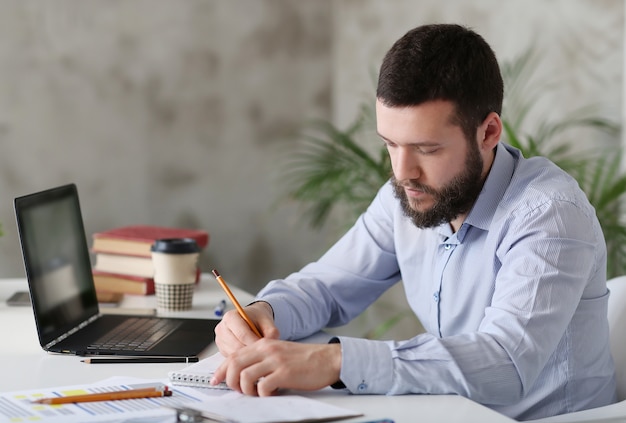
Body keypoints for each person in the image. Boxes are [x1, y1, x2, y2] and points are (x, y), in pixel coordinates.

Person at [210, 23, 617, 420]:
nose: (404, 172)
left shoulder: (550, 215)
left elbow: (506, 363)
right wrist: (265, 311)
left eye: (427, 148)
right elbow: (327, 288)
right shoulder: (408, 195)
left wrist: (336, 360)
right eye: (390, 144)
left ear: (489, 131)